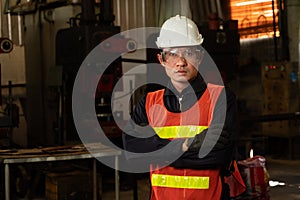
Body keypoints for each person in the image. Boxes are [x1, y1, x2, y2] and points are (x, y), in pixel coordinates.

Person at [122, 15, 244, 200]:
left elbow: (219, 156)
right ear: (161, 59)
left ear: (200, 57)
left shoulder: (221, 98)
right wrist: (187, 145)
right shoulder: (148, 102)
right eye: (172, 54)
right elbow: (132, 155)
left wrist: (158, 153)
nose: (180, 62)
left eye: (188, 53)